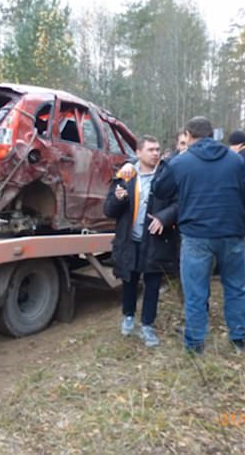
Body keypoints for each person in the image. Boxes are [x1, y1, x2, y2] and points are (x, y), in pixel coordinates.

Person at [152, 116, 245, 354]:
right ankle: (239, 339)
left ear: (188, 135)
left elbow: (159, 189)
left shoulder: (181, 162)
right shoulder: (235, 160)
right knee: (235, 287)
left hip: (196, 235)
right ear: (212, 135)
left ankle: (195, 344)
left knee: (195, 292)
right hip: (231, 232)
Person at [104, 135, 179, 347]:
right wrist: (118, 199)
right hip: (130, 239)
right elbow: (108, 210)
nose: (155, 153)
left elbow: (178, 203)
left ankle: (147, 325)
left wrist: (164, 218)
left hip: (156, 240)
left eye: (157, 149)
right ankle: (128, 317)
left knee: (153, 283)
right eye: (150, 150)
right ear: (138, 153)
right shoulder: (125, 176)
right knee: (129, 279)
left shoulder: (166, 176)